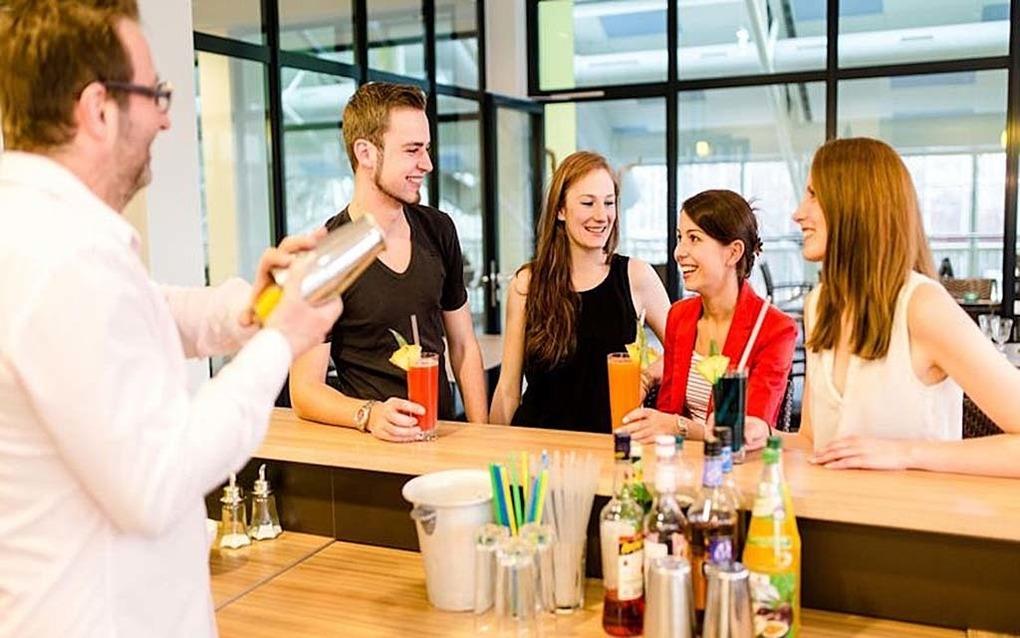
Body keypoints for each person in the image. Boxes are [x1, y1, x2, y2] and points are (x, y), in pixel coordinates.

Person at [0, 2, 342, 636]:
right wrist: (280, 341)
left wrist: (256, 307)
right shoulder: (62, 257)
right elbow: (156, 480)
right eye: (154, 94)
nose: (165, 117)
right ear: (99, 109)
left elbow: (148, 308)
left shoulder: (38, 232)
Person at [793, 137, 1020, 478]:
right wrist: (762, 435)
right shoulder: (818, 305)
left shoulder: (922, 306)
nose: (798, 213)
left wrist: (905, 453)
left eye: (813, 194)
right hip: (834, 508)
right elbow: (812, 441)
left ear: (856, 205)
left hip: (915, 511)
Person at [289, 82, 487, 441]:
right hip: (372, 451)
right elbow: (304, 390)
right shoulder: (328, 253)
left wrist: (482, 436)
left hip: (441, 441)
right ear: (365, 153)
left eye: (426, 148)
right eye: (412, 150)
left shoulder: (439, 229)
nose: (427, 164)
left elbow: (463, 347)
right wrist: (369, 414)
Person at [489, 151, 670, 432]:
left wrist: (647, 377)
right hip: (538, 446)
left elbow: (686, 352)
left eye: (609, 203)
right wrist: (493, 446)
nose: (601, 216)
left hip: (612, 445)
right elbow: (508, 389)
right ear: (560, 210)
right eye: (588, 203)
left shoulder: (637, 276)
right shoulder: (527, 283)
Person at [619, 190, 797, 446]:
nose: (678, 252)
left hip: (738, 464)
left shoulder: (775, 329)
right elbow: (667, 410)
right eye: (680, 238)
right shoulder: (680, 316)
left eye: (694, 238)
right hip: (679, 460)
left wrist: (679, 427)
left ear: (733, 253)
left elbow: (747, 432)